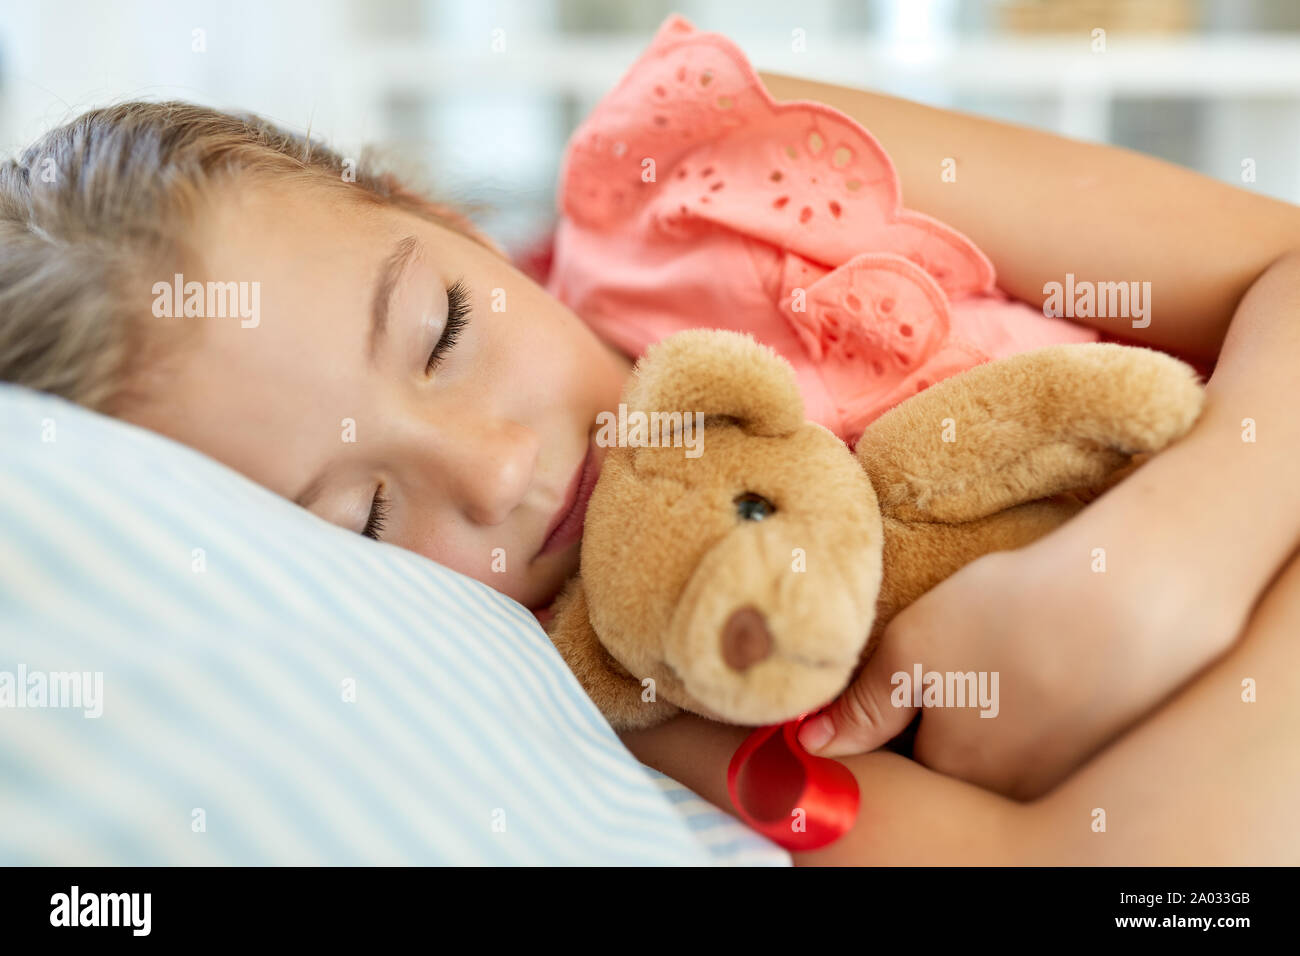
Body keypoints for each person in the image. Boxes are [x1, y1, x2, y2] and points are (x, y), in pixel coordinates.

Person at [3, 22, 1298, 864]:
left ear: (437, 211)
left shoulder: (707, 173)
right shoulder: (639, 704)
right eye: (366, 522)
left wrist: (1176, 554)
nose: (502, 468)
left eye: (445, 327)